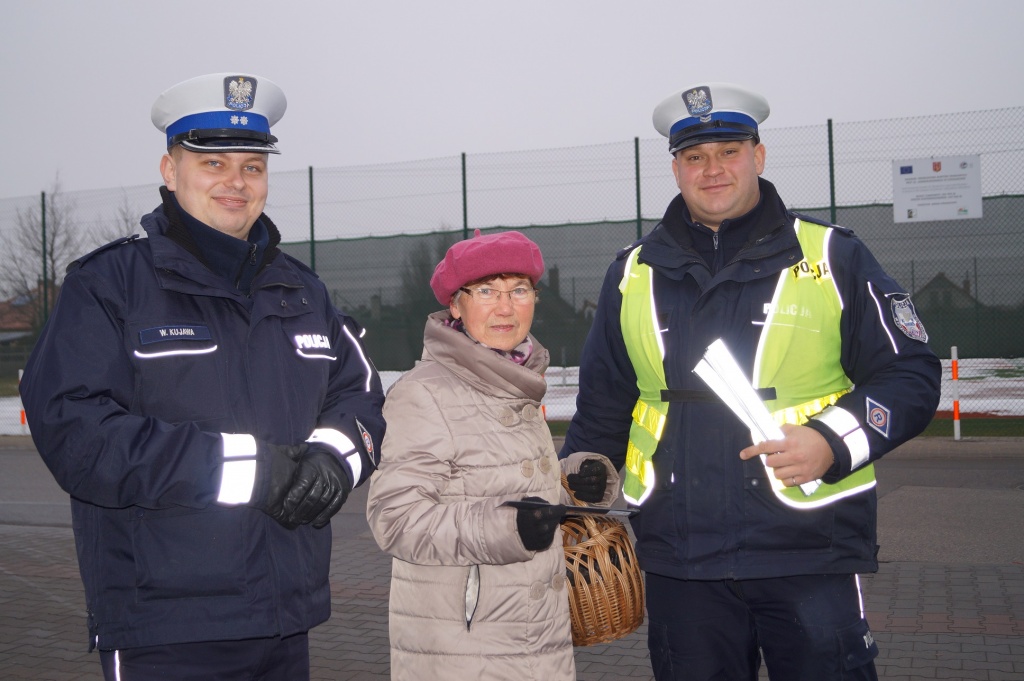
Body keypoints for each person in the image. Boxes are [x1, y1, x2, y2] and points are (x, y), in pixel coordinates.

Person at [559, 82, 941, 681]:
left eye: (728, 152)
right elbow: (602, 403)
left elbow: (911, 373)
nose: (712, 170)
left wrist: (831, 440)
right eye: (694, 157)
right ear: (676, 168)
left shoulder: (835, 256)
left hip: (808, 547)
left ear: (758, 156)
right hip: (680, 559)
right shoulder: (631, 273)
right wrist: (578, 509)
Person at [19, 72, 386, 681]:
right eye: (212, 162)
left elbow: (360, 395)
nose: (235, 182)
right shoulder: (108, 286)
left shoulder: (303, 290)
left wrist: (332, 460)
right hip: (166, 628)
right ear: (170, 169)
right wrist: (257, 472)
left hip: (285, 616)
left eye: (252, 166)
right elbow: (75, 432)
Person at [365, 230, 618, 681]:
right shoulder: (425, 393)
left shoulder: (515, 378)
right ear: (456, 307)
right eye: (486, 291)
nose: (506, 307)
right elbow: (395, 518)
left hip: (537, 636)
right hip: (466, 650)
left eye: (518, 290)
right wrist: (506, 527)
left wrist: (573, 480)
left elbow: (499, 478)